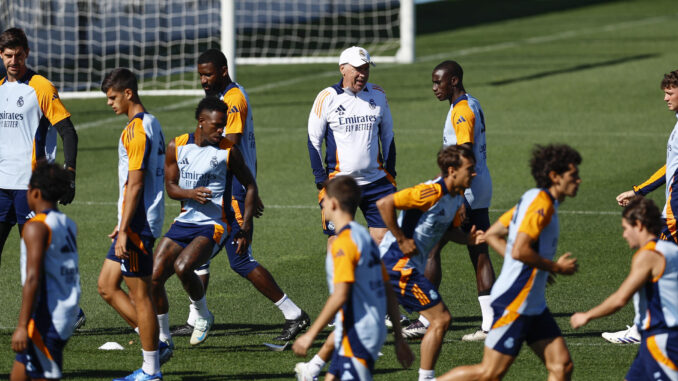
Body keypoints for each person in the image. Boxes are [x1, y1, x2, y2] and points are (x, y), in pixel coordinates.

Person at [166, 48, 309, 341]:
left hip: (231, 191)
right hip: (222, 188)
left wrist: (192, 149)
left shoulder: (233, 100)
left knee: (240, 259)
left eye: (207, 74)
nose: (203, 80)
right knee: (199, 253)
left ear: (222, 70)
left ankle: (293, 314)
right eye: (200, 75)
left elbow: (228, 144)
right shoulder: (222, 98)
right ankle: (196, 319)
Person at [437, 144, 581, 381]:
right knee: (489, 373)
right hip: (516, 300)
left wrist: (531, 266)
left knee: (562, 366)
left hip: (533, 303)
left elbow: (492, 234)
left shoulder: (532, 197)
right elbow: (521, 248)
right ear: (555, 177)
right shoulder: (541, 204)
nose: (579, 180)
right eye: (573, 176)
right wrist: (554, 267)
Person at [151, 97, 261, 347]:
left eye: (223, 125)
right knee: (154, 277)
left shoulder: (228, 151)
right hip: (184, 222)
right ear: (201, 122)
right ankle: (163, 338)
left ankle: (202, 314)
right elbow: (170, 186)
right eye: (216, 125)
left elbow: (250, 184)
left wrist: (245, 228)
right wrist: (190, 194)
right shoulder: (177, 146)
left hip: (214, 224)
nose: (221, 130)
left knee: (182, 267)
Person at [404, 60, 496, 342]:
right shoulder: (472, 103)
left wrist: (446, 184)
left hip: (463, 191)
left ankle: (425, 319)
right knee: (478, 251)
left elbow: (465, 151)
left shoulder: (461, 112)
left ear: (453, 81)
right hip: (480, 187)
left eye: (438, 82)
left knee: (431, 249)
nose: (434, 88)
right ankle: (492, 323)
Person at [292, 176, 414, 380]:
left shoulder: (344, 244)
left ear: (333, 203)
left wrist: (310, 335)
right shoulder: (364, 236)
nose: (321, 202)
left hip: (358, 334)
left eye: (324, 198)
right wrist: (400, 339)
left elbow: (340, 295)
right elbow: (387, 287)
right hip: (363, 330)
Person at [379, 144, 483, 381]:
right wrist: (401, 238)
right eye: (470, 169)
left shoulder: (456, 198)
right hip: (397, 265)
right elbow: (385, 204)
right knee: (442, 319)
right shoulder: (430, 192)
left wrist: (468, 239)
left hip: (404, 266)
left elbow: (449, 232)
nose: (474, 173)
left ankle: (313, 368)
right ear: (451, 170)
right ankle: (426, 378)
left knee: (363, 324)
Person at [99, 68, 167, 381]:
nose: (109, 103)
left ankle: (151, 369)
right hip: (132, 221)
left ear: (128, 93)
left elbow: (136, 183)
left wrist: (125, 228)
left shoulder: (136, 130)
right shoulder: (152, 123)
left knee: (140, 297)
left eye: (112, 97)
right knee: (107, 285)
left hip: (138, 224)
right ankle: (152, 340)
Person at [571, 196, 678, 381]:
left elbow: (621, 298)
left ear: (639, 225)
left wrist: (587, 316)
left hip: (664, 340)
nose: (624, 235)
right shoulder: (671, 249)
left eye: (625, 228)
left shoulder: (647, 255)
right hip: (651, 342)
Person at [609, 70, 678, 345]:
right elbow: (670, 166)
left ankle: (642, 328)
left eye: (670, 92)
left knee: (653, 264)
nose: (665, 98)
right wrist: (639, 191)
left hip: (674, 214)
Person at [0, 27, 78, 266]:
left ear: (28, 53)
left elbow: (69, 133)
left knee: (38, 263)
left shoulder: (41, 87)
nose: (14, 61)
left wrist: (69, 176)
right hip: (1, 188)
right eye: (9, 55)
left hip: (32, 187)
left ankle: (67, 306)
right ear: (1, 55)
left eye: (19, 55)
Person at [307, 45, 396, 247]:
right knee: (340, 241)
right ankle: (338, 280)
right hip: (340, 184)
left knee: (384, 240)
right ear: (343, 69)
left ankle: (377, 279)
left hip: (377, 182)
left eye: (366, 69)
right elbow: (313, 140)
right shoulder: (327, 97)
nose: (363, 74)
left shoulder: (378, 94)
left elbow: (388, 135)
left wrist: (390, 172)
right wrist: (321, 179)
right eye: (358, 69)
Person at [10, 162, 80, 381]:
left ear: (36, 192)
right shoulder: (67, 223)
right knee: (18, 374)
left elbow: (33, 278)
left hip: (45, 318)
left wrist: (22, 326)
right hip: (63, 312)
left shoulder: (35, 227)